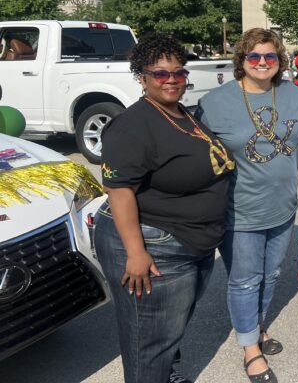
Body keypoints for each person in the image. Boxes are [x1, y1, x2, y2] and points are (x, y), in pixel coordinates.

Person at [94, 33, 234, 383]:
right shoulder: (132, 125)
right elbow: (119, 191)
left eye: (178, 72)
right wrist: (136, 253)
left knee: (166, 334)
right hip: (156, 247)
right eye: (160, 73)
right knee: (149, 345)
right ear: (142, 77)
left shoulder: (182, 113)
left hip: (191, 243)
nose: (171, 79)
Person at [197, 28, 298, 383]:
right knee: (245, 280)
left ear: (280, 61)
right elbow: (196, 153)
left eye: (270, 57)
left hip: (283, 206)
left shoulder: (293, 95)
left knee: (271, 274)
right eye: (254, 57)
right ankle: (250, 348)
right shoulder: (215, 103)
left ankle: (256, 328)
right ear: (241, 61)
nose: (262, 63)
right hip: (239, 209)